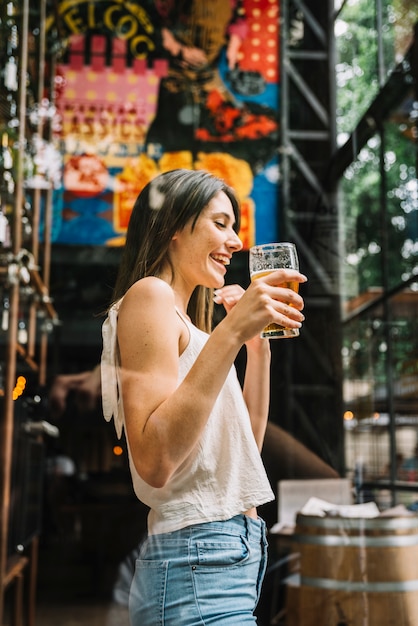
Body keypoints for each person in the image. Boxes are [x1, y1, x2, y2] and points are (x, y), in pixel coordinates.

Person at [100, 168, 306, 625]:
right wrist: (231, 332)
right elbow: (155, 461)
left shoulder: (196, 330)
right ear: (173, 225)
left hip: (229, 555)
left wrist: (256, 346)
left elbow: (244, 452)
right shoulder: (149, 296)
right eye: (221, 223)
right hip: (196, 560)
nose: (236, 242)